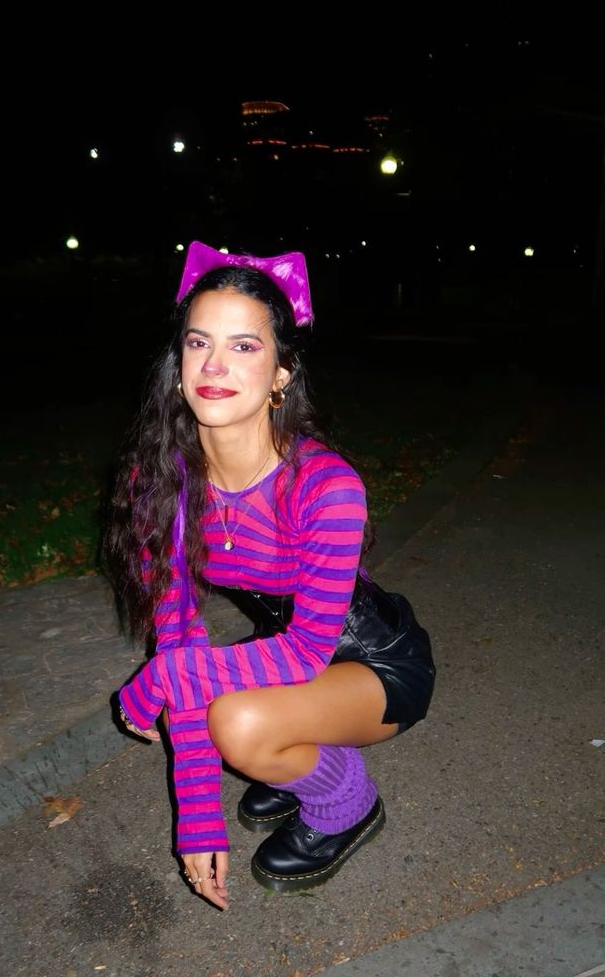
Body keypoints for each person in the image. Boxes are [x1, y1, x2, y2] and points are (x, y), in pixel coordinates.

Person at [107, 241, 434, 911]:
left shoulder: (324, 486)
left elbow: (306, 651)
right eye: (199, 343)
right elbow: (180, 641)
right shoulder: (161, 481)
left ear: (281, 372)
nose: (216, 366)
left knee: (240, 726)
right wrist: (196, 817)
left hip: (372, 662)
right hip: (287, 658)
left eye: (245, 347)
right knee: (215, 698)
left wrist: (161, 684)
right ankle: (297, 746)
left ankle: (348, 800)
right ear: (177, 365)